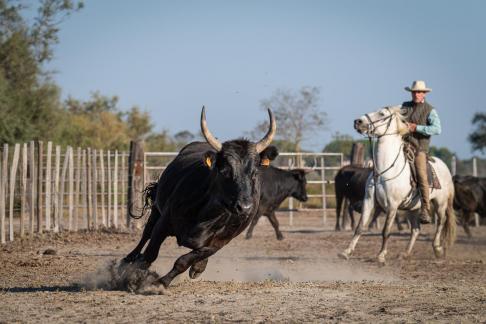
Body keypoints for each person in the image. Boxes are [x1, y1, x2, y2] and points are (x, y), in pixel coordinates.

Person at [402, 80, 441, 224]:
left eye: (419, 92)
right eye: (414, 92)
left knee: (422, 175)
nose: (416, 94)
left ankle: (425, 209)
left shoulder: (430, 110)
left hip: (419, 148)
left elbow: (437, 129)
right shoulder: (404, 106)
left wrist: (416, 128)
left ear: (424, 93)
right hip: (403, 145)